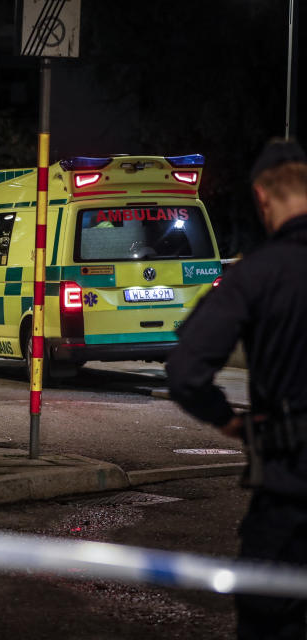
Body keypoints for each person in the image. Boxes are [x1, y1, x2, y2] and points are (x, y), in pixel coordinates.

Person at [166, 138, 307, 640]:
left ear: (263, 198)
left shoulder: (256, 276)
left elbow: (184, 369)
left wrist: (230, 421)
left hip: (288, 503)